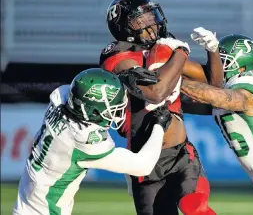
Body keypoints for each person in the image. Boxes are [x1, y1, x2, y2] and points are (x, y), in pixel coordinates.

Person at [100, 0, 223, 215]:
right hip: (144, 160)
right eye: (141, 20)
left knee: (195, 208)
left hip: (181, 153)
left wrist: (213, 50)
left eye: (151, 17)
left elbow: (214, 84)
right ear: (123, 28)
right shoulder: (117, 56)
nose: (151, 25)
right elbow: (156, 93)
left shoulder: (163, 48)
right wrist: (180, 53)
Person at [13, 68, 172, 215]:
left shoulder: (60, 97)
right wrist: (159, 125)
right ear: (94, 111)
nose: (118, 112)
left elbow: (84, 92)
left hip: (26, 205)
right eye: (114, 108)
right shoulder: (83, 139)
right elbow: (143, 165)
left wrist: (119, 81)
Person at [181, 34, 253, 215]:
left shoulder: (248, 87)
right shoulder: (232, 86)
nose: (218, 68)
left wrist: (176, 82)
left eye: (223, 63)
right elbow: (195, 95)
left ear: (242, 66)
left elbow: (216, 97)